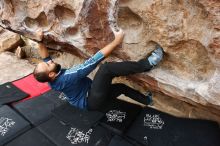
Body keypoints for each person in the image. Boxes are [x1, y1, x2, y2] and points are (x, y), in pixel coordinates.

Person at [33, 28, 164, 111]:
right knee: (106, 69)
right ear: (51, 74)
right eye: (48, 64)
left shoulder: (51, 76)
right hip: (91, 100)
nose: (50, 61)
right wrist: (116, 41)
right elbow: (93, 61)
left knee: (121, 88)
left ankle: (148, 101)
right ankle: (148, 64)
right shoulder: (67, 78)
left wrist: (39, 40)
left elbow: (45, 57)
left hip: (91, 101)